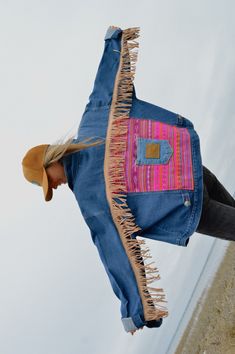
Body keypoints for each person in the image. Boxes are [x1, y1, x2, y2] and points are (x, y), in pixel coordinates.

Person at [21, 25, 235, 335]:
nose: (53, 186)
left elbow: (113, 248)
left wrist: (135, 311)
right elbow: (108, 83)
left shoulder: (89, 195)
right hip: (193, 170)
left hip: (186, 206)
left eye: (47, 180)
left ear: (52, 160)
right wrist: (114, 42)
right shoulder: (94, 121)